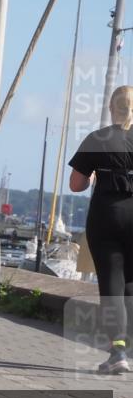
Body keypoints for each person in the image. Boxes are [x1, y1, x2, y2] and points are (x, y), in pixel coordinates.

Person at [69, 86, 133, 374]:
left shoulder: (97, 138)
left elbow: (76, 184)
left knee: (112, 284)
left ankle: (117, 351)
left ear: (110, 107)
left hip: (106, 216)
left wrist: (94, 175)